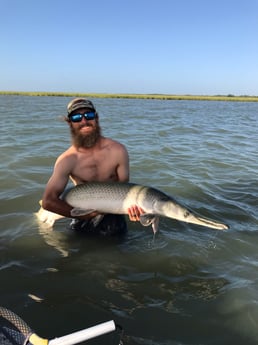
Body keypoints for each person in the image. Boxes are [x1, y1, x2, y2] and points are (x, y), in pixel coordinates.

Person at [42, 98, 144, 236]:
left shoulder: (118, 151)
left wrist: (133, 209)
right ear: (70, 123)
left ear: (96, 118)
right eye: (77, 117)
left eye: (88, 116)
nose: (84, 121)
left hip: (112, 216)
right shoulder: (66, 160)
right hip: (81, 217)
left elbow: (125, 191)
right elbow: (48, 201)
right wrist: (83, 216)